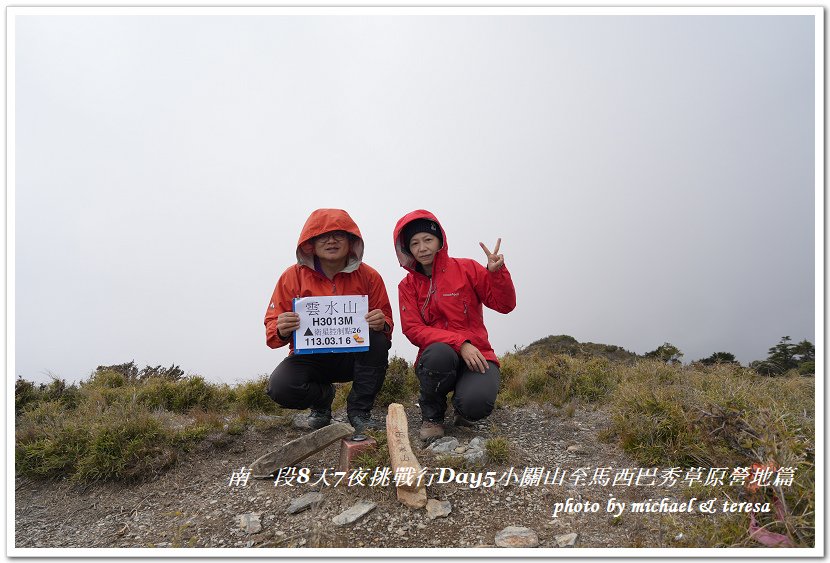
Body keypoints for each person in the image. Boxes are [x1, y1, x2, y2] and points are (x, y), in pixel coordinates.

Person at [265, 208, 394, 434]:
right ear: (310, 243)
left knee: (378, 340)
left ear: (351, 241)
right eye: (322, 236)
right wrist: (281, 329)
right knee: (281, 387)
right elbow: (272, 333)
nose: (331, 241)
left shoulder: (369, 275)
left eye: (339, 235)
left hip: (353, 357)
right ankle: (322, 401)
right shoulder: (291, 276)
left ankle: (359, 411)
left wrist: (381, 323)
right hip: (310, 358)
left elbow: (387, 323)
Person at [393, 209, 516, 442]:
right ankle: (432, 415)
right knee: (439, 353)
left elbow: (505, 305)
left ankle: (462, 407)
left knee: (476, 405)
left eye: (428, 239)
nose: (422, 248)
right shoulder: (407, 286)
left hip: (479, 353)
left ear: (440, 240)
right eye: (415, 243)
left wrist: (496, 273)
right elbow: (413, 329)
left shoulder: (467, 269)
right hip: (439, 356)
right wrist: (460, 343)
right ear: (407, 249)